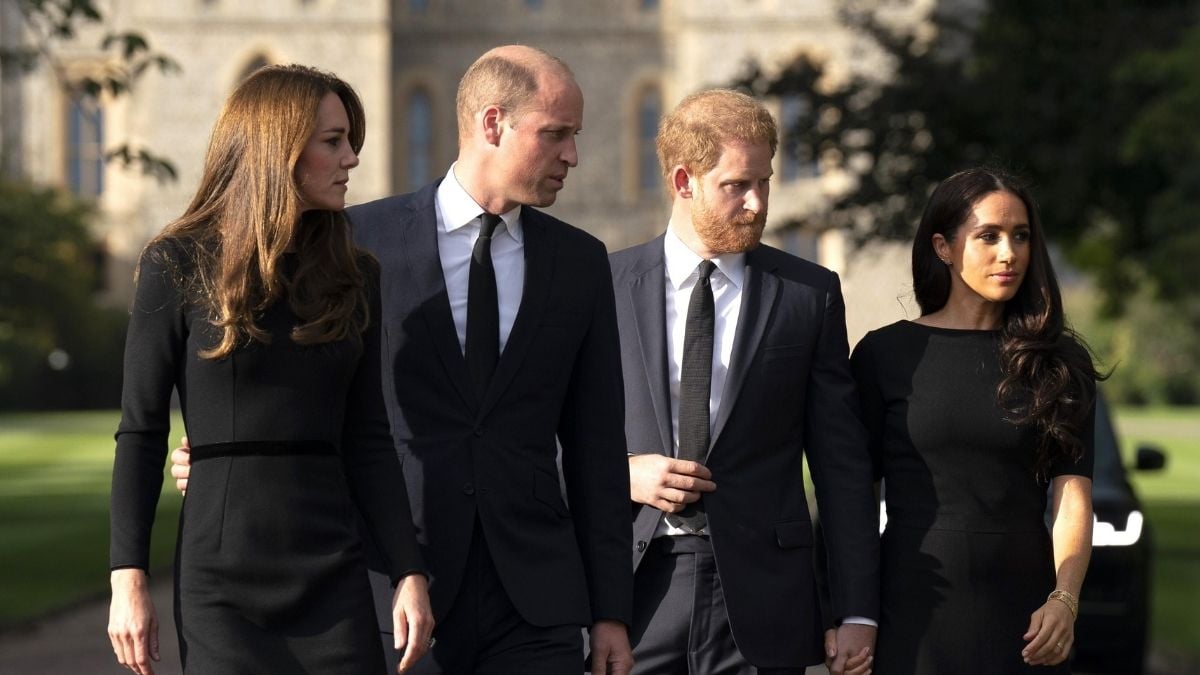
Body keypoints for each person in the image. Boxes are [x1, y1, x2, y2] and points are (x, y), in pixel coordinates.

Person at [172, 45, 635, 674]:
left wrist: (610, 611)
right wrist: (229, 451)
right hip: (394, 582)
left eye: (574, 136)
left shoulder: (581, 262)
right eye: (556, 134)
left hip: (536, 598)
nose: (572, 156)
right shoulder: (356, 242)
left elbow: (596, 449)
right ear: (491, 123)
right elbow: (288, 386)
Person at [107, 65, 433, 675]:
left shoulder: (355, 276)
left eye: (349, 140)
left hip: (333, 570)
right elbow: (141, 431)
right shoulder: (174, 262)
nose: (352, 158)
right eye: (333, 141)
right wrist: (128, 578)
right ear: (278, 148)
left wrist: (407, 570)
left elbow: (369, 440)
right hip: (220, 582)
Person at [609, 89, 879, 675]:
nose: (758, 204)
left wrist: (856, 608)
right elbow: (543, 432)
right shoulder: (604, 287)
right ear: (684, 181)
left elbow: (841, 463)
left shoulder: (810, 295)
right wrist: (619, 471)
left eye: (765, 182)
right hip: (631, 590)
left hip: (765, 598)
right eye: (737, 185)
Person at [851, 167, 1098, 673]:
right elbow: (851, 496)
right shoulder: (884, 355)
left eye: (1021, 236)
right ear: (943, 246)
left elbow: (1072, 494)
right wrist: (849, 610)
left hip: (1029, 615)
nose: (1010, 253)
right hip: (913, 606)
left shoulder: (1058, 360)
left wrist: (1064, 599)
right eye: (989, 236)